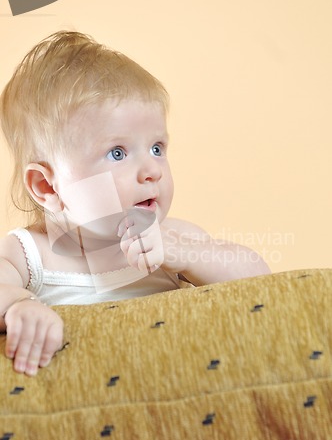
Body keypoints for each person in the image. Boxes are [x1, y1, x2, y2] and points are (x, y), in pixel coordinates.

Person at [0, 31, 270, 376]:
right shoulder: (30, 254)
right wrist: (18, 304)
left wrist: (186, 254)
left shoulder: (174, 239)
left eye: (157, 148)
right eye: (117, 153)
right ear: (47, 187)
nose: (151, 170)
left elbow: (260, 282)